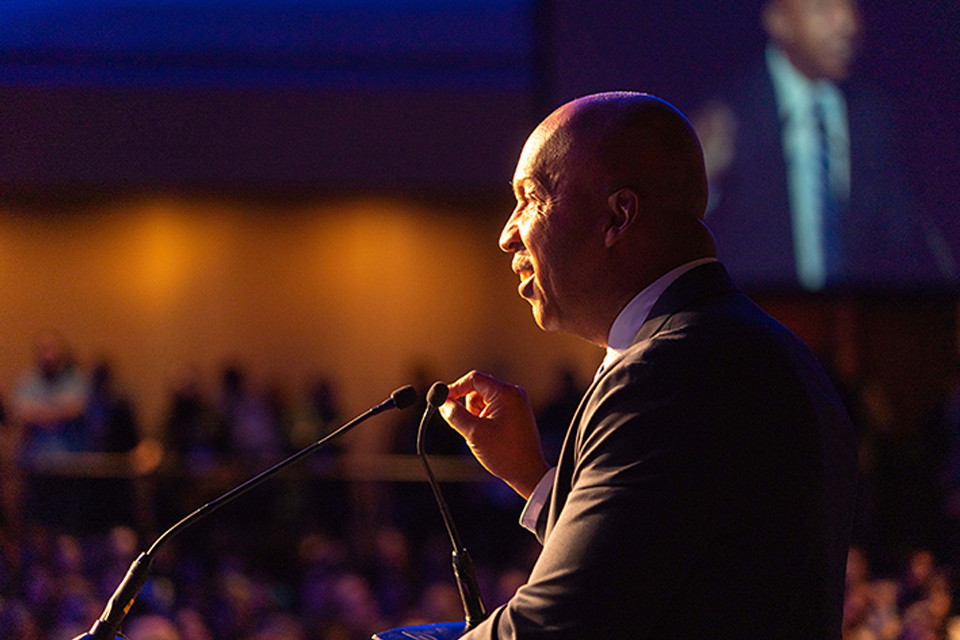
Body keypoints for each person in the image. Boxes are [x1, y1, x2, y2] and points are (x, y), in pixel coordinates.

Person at [439, 92, 859, 638]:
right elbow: (659, 568)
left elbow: (555, 627)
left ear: (618, 216)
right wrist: (533, 478)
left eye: (530, 199)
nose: (507, 234)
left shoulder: (668, 372)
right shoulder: (751, 344)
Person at [695, 0, 952, 291]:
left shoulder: (876, 114)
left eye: (852, 6)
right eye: (823, 8)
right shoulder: (727, 114)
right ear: (778, 21)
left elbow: (901, 240)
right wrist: (701, 179)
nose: (849, 24)